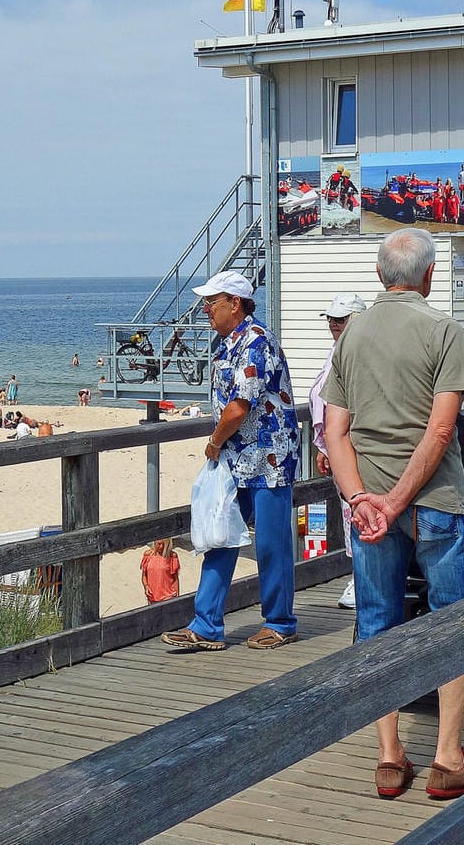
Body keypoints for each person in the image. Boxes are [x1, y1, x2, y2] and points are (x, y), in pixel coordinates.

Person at [321, 228, 464, 801]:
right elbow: (442, 429)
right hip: (437, 500)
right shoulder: (443, 330)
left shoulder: (351, 334)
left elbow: (333, 432)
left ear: (378, 275)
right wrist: (399, 500)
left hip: (368, 505)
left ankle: (390, 757)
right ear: (428, 275)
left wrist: (359, 499)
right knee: (453, 621)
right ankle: (447, 756)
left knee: (376, 621)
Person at [162, 270, 300, 655]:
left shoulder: (255, 343)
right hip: (238, 459)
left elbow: (239, 407)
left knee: (272, 544)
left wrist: (213, 441)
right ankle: (206, 625)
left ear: (234, 304)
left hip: (268, 458)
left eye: (212, 302)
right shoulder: (228, 344)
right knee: (219, 536)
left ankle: (280, 622)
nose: (205, 309)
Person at [307, 291, 369, 610]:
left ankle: (364, 579)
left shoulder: (357, 353)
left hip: (354, 446)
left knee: (357, 511)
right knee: (350, 513)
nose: (333, 324)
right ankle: (361, 576)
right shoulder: (337, 351)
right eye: (331, 319)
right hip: (337, 444)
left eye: (340, 319)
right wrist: (323, 446)